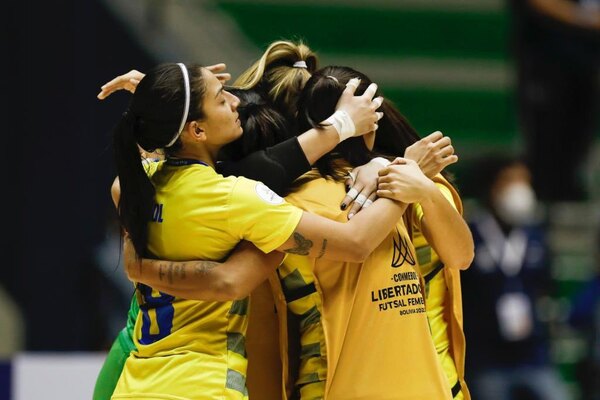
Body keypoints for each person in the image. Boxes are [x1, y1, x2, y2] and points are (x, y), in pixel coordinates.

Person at [126, 66, 473, 399]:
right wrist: (401, 176)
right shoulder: (245, 200)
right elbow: (358, 243)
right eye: (220, 98)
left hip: (137, 377)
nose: (233, 101)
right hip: (203, 385)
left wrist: (137, 266)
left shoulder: (146, 181)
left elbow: (127, 180)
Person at [461, 154, 570, 400]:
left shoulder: (536, 235)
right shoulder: (469, 234)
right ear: (492, 187)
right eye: (511, 181)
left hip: (533, 355)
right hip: (486, 358)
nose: (520, 189)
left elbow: (547, 286)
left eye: (525, 181)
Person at [509, 0, 600, 202]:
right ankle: (542, 202)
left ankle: (566, 193)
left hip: (586, 59)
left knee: (578, 137)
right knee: (547, 140)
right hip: (547, 55)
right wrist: (583, 17)